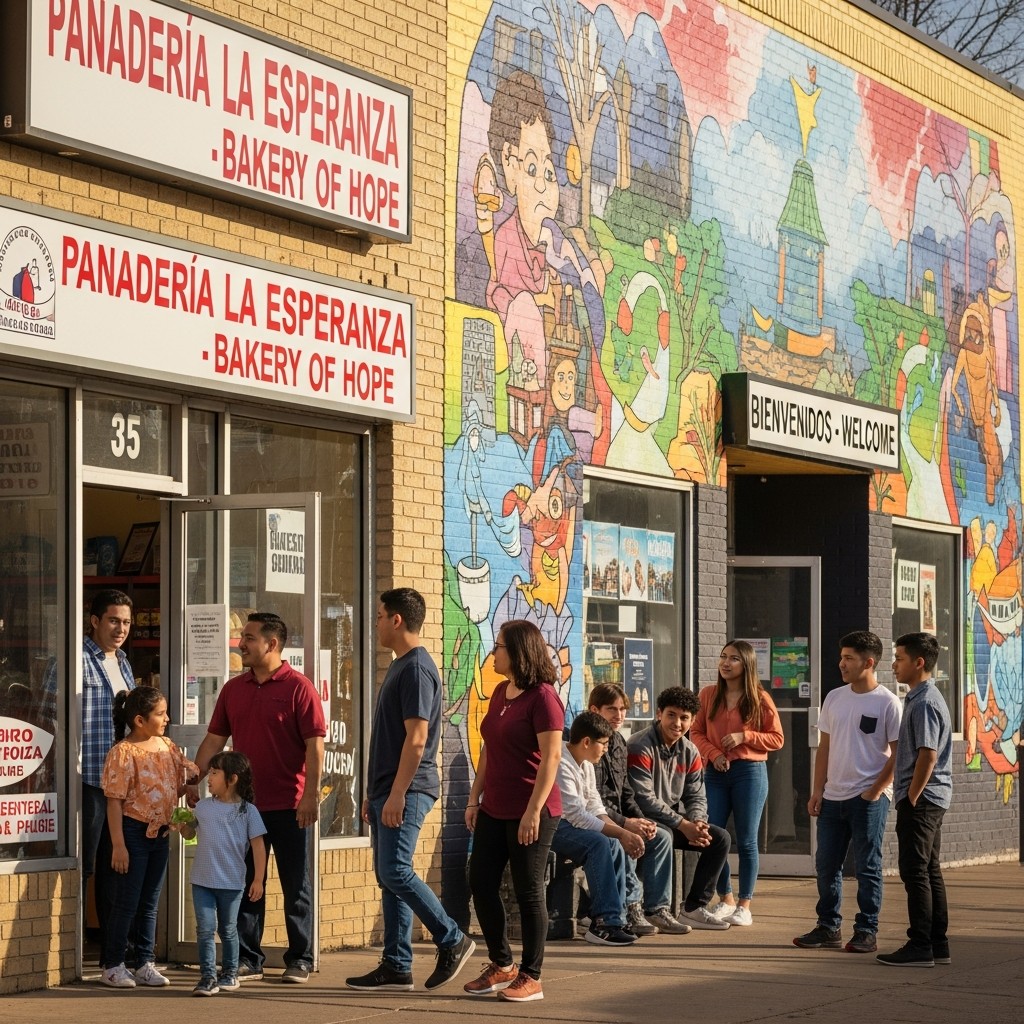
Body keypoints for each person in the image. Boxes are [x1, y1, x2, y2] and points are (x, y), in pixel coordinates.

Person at [345, 589, 476, 992]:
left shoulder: (417, 668)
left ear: (397, 620)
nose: (377, 621)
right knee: (388, 878)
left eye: (381, 615)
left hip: (410, 788)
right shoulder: (403, 665)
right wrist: (374, 792)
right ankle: (397, 963)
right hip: (389, 789)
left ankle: (452, 938)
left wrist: (399, 793)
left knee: (395, 870)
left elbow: (417, 739)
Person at [190, 612, 326, 983]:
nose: (242, 643)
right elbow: (215, 741)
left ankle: (300, 957)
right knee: (247, 882)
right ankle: (250, 958)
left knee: (296, 884)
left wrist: (310, 795)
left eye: (249, 638)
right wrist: (193, 780)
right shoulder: (234, 689)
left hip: (290, 804)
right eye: (243, 637)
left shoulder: (299, 688)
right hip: (244, 808)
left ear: (272, 643)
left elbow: (316, 746)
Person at [463, 619, 564, 1002]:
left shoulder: (543, 698)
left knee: (528, 891)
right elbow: (489, 748)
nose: (493, 652)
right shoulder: (501, 693)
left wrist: (534, 811)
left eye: (499, 646)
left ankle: (531, 975)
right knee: (480, 882)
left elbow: (552, 757)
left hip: (532, 810)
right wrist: (475, 798)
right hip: (495, 807)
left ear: (519, 651)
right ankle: (502, 965)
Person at [792, 631, 901, 954]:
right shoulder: (835, 698)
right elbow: (824, 749)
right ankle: (828, 927)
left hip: (868, 800)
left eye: (849, 658)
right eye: (841, 657)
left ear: (869, 662)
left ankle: (866, 929)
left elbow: (899, 753)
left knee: (867, 866)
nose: (842, 663)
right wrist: (817, 791)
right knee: (826, 865)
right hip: (832, 797)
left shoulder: (887, 703)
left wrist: (875, 790)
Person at [42, 590, 136, 938]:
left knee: (115, 864)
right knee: (83, 864)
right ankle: (73, 946)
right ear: (95, 621)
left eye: (126, 622)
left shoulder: (123, 662)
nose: (120, 628)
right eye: (113, 620)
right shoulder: (72, 659)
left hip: (120, 784)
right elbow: (46, 718)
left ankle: (112, 947)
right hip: (84, 779)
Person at [100, 686, 198, 989]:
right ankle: (113, 964)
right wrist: (118, 844)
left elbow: (176, 783)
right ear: (140, 720)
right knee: (127, 902)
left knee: (150, 902)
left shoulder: (167, 746)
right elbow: (114, 800)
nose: (167, 718)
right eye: (160, 714)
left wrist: (188, 788)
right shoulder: (123, 752)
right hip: (133, 832)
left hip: (161, 834)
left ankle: (144, 962)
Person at [691, 640, 784, 927]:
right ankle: (726, 898)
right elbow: (695, 731)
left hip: (750, 772)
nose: (725, 663)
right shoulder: (707, 695)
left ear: (747, 664)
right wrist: (714, 753)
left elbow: (777, 738)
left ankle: (744, 905)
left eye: (733, 658)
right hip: (716, 772)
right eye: (723, 657)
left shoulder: (759, 698)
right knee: (713, 838)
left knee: (746, 840)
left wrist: (746, 737)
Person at [587, 683, 690, 936]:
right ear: (594, 709)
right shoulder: (586, 740)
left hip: (617, 814)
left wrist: (642, 820)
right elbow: (592, 801)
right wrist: (626, 823)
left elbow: (626, 792)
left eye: (622, 709)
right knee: (627, 837)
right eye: (612, 709)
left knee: (660, 835)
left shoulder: (619, 742)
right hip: (595, 818)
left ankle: (657, 909)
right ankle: (631, 906)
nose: (619, 715)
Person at [627, 686, 732, 930]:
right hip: (640, 819)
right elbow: (644, 799)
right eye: (671, 715)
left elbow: (696, 795)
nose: (677, 723)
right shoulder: (639, 746)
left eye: (684, 718)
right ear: (659, 713)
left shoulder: (690, 751)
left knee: (719, 838)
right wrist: (683, 824)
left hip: (672, 820)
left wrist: (697, 823)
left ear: (692, 720)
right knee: (662, 834)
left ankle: (694, 907)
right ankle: (656, 910)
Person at [877, 632, 953, 968]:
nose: (893, 664)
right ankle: (938, 944)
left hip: (922, 800)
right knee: (929, 870)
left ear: (919, 662)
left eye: (899, 658)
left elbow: (928, 755)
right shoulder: (923, 698)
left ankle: (920, 944)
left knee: (915, 871)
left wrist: (911, 796)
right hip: (932, 798)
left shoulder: (923, 702)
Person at [176, 751, 268, 996]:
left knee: (228, 930)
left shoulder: (248, 811)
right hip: (202, 881)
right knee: (205, 929)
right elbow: (190, 834)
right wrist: (181, 826)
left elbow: (259, 847)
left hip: (232, 883)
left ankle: (229, 973)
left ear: (233, 778)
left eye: (215, 773)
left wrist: (258, 879)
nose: (209, 778)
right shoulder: (204, 807)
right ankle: (207, 977)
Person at [550, 711, 645, 945]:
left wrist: (623, 835)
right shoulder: (561, 763)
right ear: (586, 742)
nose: (605, 750)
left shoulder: (586, 764)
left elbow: (594, 806)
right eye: (603, 744)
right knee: (599, 842)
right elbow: (576, 816)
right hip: (551, 826)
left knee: (612, 842)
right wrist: (621, 832)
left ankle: (616, 918)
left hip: (570, 824)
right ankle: (604, 923)